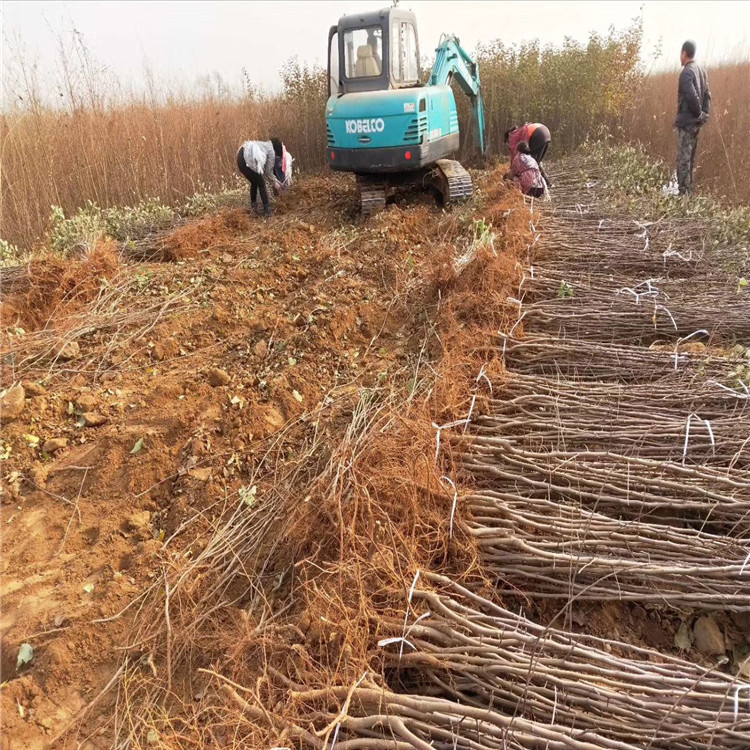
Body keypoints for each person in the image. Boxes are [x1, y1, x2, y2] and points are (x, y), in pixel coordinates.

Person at [674, 39, 711, 195]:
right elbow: (707, 95)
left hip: (688, 122)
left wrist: (698, 114)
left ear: (684, 53)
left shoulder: (687, 72)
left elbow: (692, 95)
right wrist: (704, 115)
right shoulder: (701, 70)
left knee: (683, 160)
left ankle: (684, 196)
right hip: (696, 123)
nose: (680, 57)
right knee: (690, 160)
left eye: (680, 54)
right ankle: (689, 193)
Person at [236, 138, 285, 216]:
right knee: (261, 183)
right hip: (246, 157)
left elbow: (265, 171)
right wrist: (275, 183)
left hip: (240, 156)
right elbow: (268, 172)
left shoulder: (265, 145)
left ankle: (254, 209)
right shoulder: (271, 151)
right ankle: (267, 211)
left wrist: (274, 180)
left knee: (254, 182)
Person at [505, 123, 552, 188]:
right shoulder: (520, 131)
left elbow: (514, 153)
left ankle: (541, 185)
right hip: (545, 132)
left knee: (534, 163)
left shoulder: (512, 136)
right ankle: (547, 184)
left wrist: (512, 170)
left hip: (538, 135)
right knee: (536, 163)